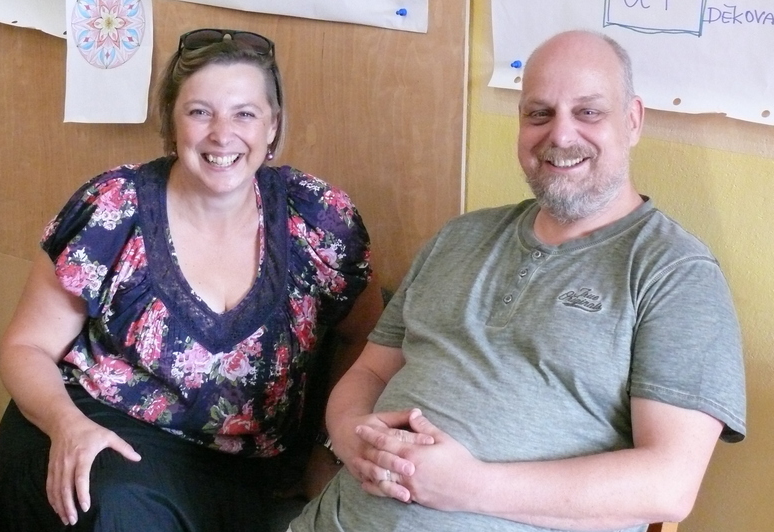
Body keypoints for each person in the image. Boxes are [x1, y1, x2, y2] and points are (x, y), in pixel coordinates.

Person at [289, 30, 746, 532]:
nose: (561, 136)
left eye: (588, 112)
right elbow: (371, 373)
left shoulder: (676, 274)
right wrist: (350, 436)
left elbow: (668, 487)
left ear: (632, 120)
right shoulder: (460, 237)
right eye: (539, 113)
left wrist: (469, 486)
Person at [0, 28, 382, 532]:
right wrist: (68, 426)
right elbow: (26, 347)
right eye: (200, 112)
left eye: (245, 114)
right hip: (97, 424)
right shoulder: (115, 206)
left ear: (273, 126)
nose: (222, 134)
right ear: (171, 122)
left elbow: (368, 339)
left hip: (241, 467)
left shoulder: (318, 217)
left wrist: (326, 447)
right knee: (121, 506)